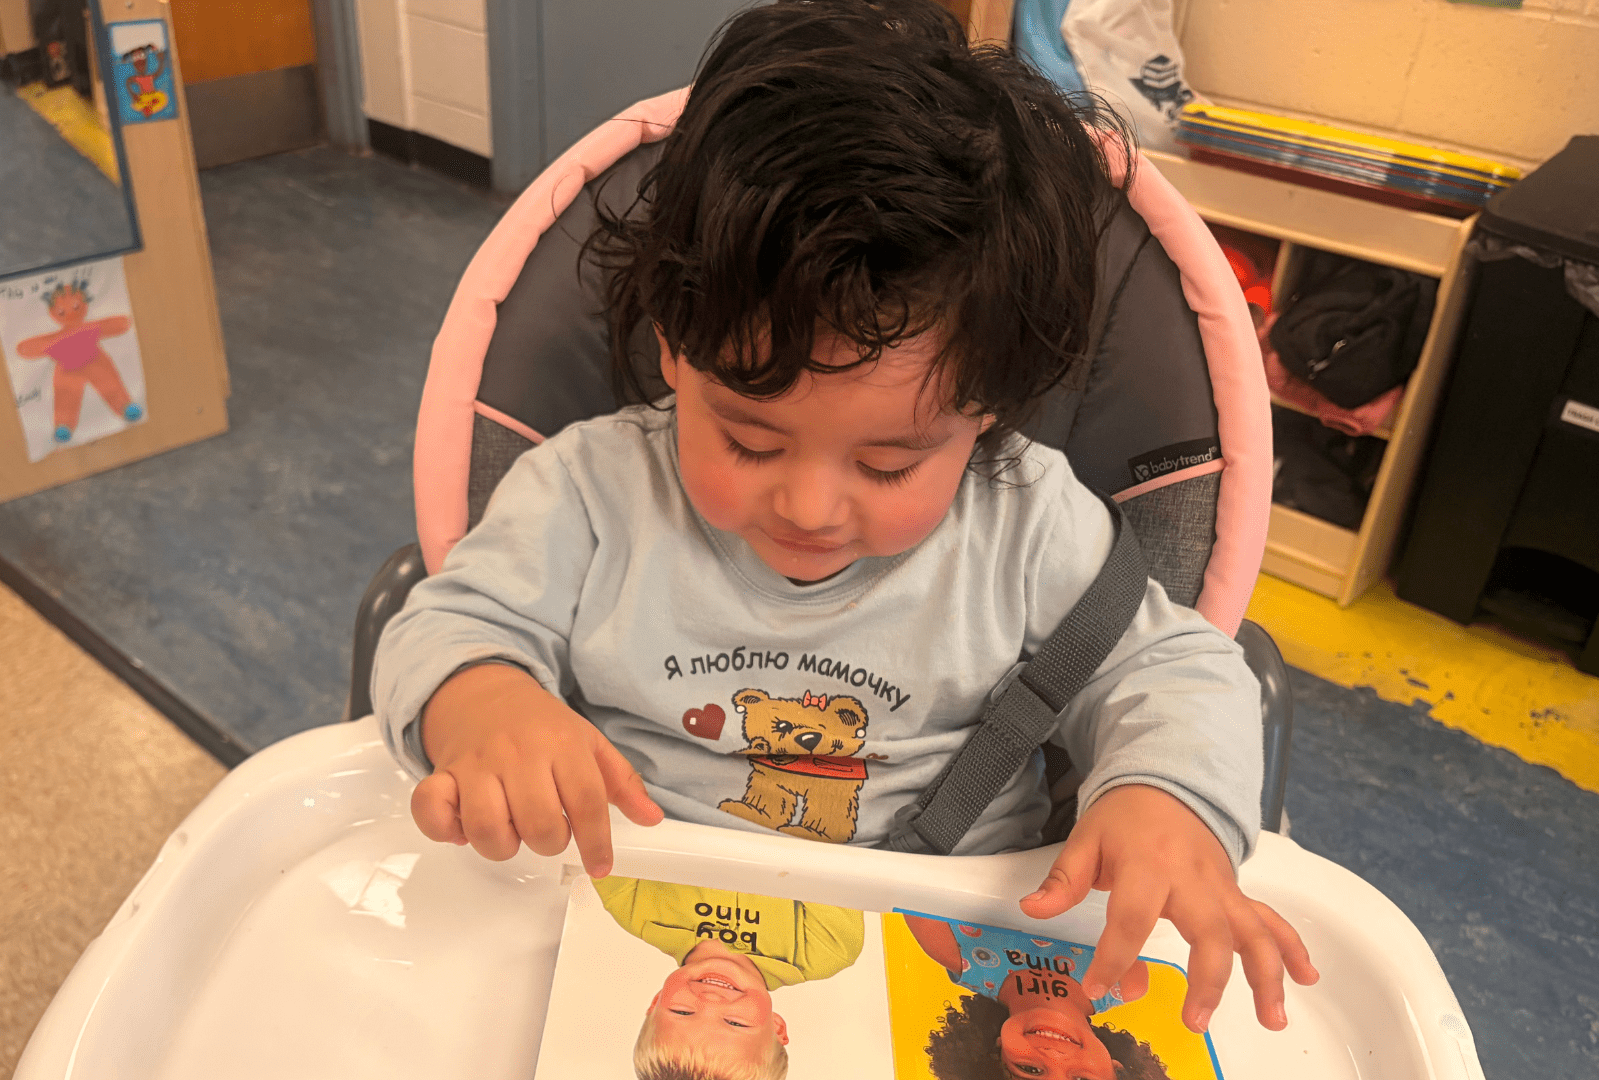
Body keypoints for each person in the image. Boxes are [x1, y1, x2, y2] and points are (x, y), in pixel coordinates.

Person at [374, 0, 1317, 1036]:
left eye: (889, 460)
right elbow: (447, 621)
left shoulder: (1026, 521)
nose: (811, 507)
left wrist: (1164, 796)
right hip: (626, 924)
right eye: (749, 440)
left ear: (986, 405)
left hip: (935, 942)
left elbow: (1171, 670)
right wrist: (485, 703)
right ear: (676, 348)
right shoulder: (588, 493)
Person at [593, 876, 865, 1080]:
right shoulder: (826, 948)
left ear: (656, 1002)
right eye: (735, 1022)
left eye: (683, 1012)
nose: (710, 1002)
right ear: (777, 1027)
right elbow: (838, 854)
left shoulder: (632, 904)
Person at [902, 911, 1170, 1080]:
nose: (1053, 1055)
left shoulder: (953, 951)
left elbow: (912, 871)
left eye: (1029, 1070)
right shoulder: (1126, 978)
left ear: (995, 1054)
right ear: (1119, 1070)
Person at [14, 282, 142, 443]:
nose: (69, 312)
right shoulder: (60, 338)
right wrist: (25, 348)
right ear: (53, 313)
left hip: (95, 363)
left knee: (110, 384)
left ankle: (124, 406)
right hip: (69, 370)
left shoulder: (87, 329)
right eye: (61, 311)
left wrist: (122, 323)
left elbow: (111, 326)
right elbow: (33, 347)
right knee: (67, 396)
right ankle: (64, 425)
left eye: (75, 306)